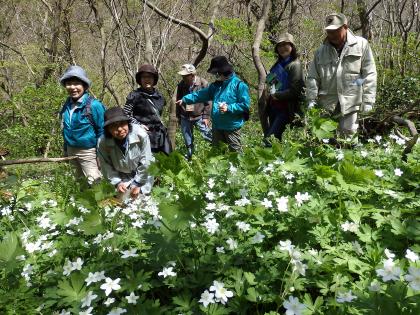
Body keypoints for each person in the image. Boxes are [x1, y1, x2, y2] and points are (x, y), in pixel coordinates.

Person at [306, 13, 377, 138]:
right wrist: (311, 99)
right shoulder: (320, 52)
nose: (332, 35)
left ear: (345, 27)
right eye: (329, 31)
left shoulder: (361, 45)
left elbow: (369, 74)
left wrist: (368, 101)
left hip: (351, 101)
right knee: (325, 140)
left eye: (336, 31)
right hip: (327, 104)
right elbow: (312, 77)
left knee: (349, 139)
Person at [176, 56, 250, 152]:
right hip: (217, 127)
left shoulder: (239, 85)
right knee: (217, 155)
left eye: (217, 73)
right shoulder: (216, 86)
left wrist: (229, 107)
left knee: (235, 155)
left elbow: (245, 105)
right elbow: (201, 95)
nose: (215, 75)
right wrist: (185, 99)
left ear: (222, 72)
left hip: (232, 127)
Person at [59, 65, 105, 182]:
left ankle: (103, 201)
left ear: (84, 85)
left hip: (88, 151)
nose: (72, 87)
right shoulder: (66, 105)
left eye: (76, 84)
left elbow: (102, 131)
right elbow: (65, 129)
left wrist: (100, 155)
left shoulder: (94, 105)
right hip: (71, 149)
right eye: (69, 84)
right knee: (78, 183)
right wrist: (65, 150)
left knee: (95, 182)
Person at [97, 107, 154, 200]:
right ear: (108, 129)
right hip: (120, 175)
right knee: (121, 203)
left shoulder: (140, 135)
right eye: (113, 126)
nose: (119, 129)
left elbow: (146, 161)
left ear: (128, 123)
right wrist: (117, 183)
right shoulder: (103, 142)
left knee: (141, 201)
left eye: (122, 124)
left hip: (143, 174)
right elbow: (106, 166)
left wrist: (137, 183)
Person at [263, 33, 304, 145]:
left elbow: (295, 90)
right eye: (279, 46)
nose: (282, 48)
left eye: (285, 44)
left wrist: (277, 95)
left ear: (292, 46)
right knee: (276, 141)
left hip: (286, 109)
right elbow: (273, 83)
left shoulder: (295, 65)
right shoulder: (277, 65)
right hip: (273, 107)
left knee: (269, 141)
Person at [123, 64, 172, 155]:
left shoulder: (160, 96)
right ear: (140, 80)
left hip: (160, 135)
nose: (147, 79)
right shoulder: (134, 95)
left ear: (154, 79)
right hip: (142, 134)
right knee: (147, 164)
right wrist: (138, 125)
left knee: (166, 161)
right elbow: (125, 114)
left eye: (150, 77)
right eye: (144, 77)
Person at [174, 64, 212, 159]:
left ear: (192, 74)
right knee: (188, 139)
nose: (184, 77)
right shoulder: (181, 85)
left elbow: (209, 102)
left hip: (200, 116)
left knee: (208, 135)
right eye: (183, 76)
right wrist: (178, 117)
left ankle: (217, 152)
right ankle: (191, 156)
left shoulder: (203, 83)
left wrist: (206, 117)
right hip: (185, 116)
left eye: (186, 76)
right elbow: (178, 101)